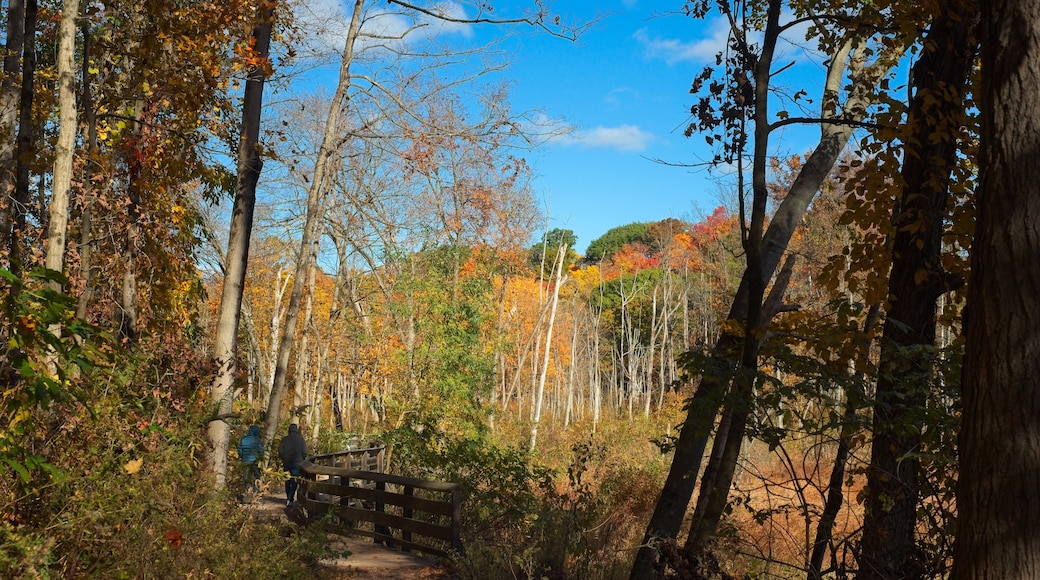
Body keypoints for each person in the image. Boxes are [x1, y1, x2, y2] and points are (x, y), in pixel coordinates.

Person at [278, 423, 308, 506]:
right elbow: (305, 451)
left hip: (287, 462)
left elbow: (280, 451)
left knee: (287, 480)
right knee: (294, 480)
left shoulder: (284, 439)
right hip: (297, 462)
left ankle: (289, 497)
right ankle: (290, 499)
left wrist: (283, 457)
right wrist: (302, 459)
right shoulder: (300, 439)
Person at [236, 425, 264, 500]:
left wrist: (243, 457)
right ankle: (254, 494)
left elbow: (239, 450)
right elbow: (261, 451)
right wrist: (259, 458)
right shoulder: (257, 440)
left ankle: (247, 495)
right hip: (255, 463)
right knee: (256, 478)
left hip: (245, 462)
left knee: (247, 478)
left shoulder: (243, 439)